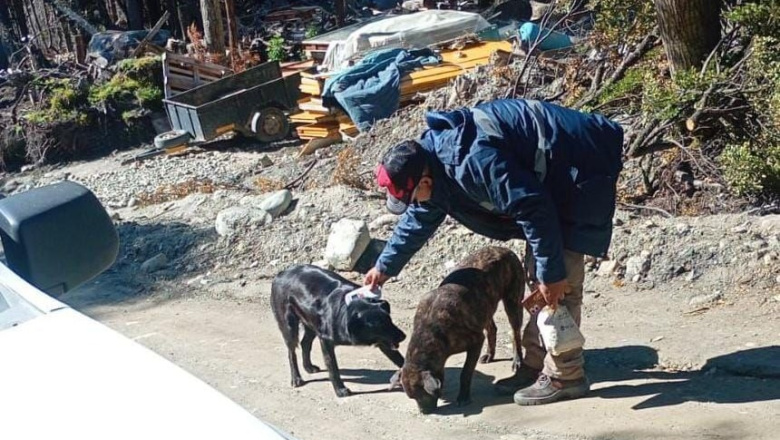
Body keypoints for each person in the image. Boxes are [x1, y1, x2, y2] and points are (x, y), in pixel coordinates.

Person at [364, 98, 624, 405]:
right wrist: (384, 267)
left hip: (578, 166)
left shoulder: (473, 162)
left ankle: (565, 377)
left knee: (558, 287)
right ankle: (536, 363)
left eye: (413, 195)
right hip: (549, 178)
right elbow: (421, 215)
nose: (415, 202)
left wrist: (551, 274)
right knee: (539, 279)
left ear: (423, 179)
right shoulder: (433, 163)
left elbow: (534, 208)